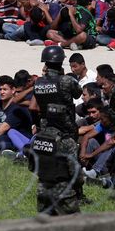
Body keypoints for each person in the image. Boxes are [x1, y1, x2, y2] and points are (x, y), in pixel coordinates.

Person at [29, 45, 83, 215]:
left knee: (48, 165)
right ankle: (74, 195)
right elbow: (77, 93)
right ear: (60, 62)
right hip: (65, 129)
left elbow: (35, 105)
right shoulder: (66, 80)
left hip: (46, 129)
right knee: (70, 166)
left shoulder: (38, 83)